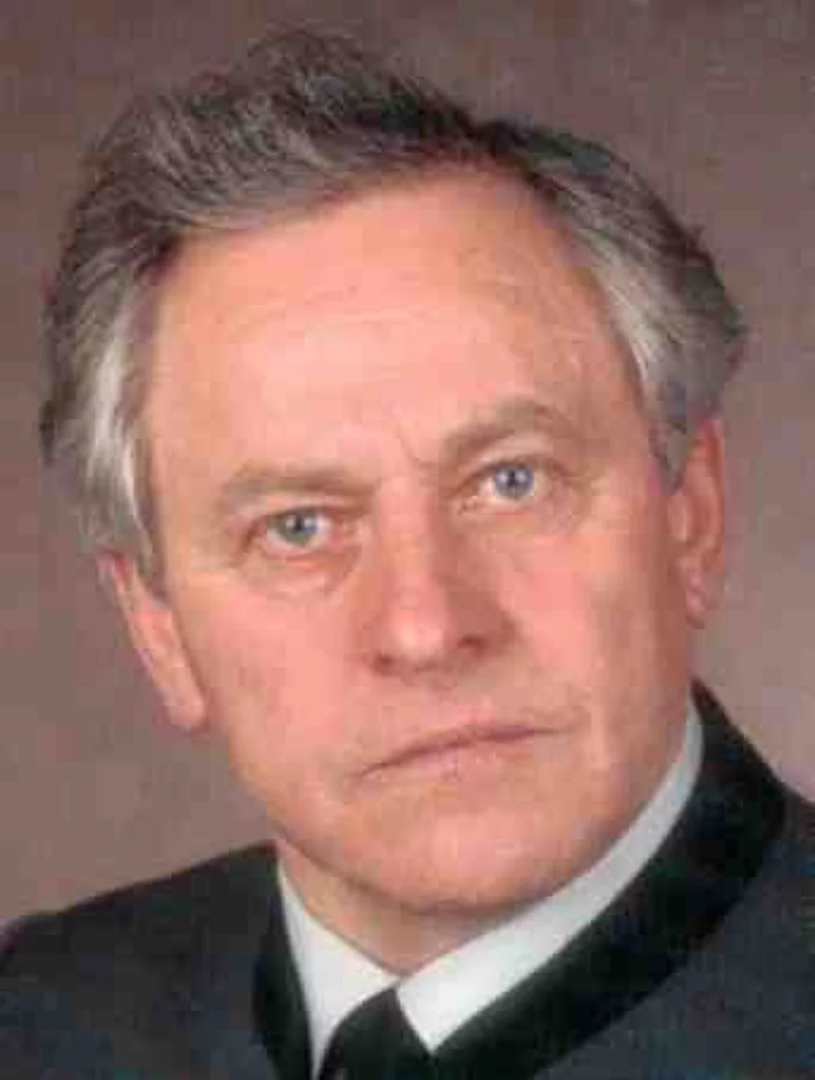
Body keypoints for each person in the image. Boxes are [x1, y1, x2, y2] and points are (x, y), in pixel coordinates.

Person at [2, 26, 812, 1079]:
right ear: (158, 629)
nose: (427, 627)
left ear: (688, 515)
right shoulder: (38, 1023)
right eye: (297, 527)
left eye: (511, 481)